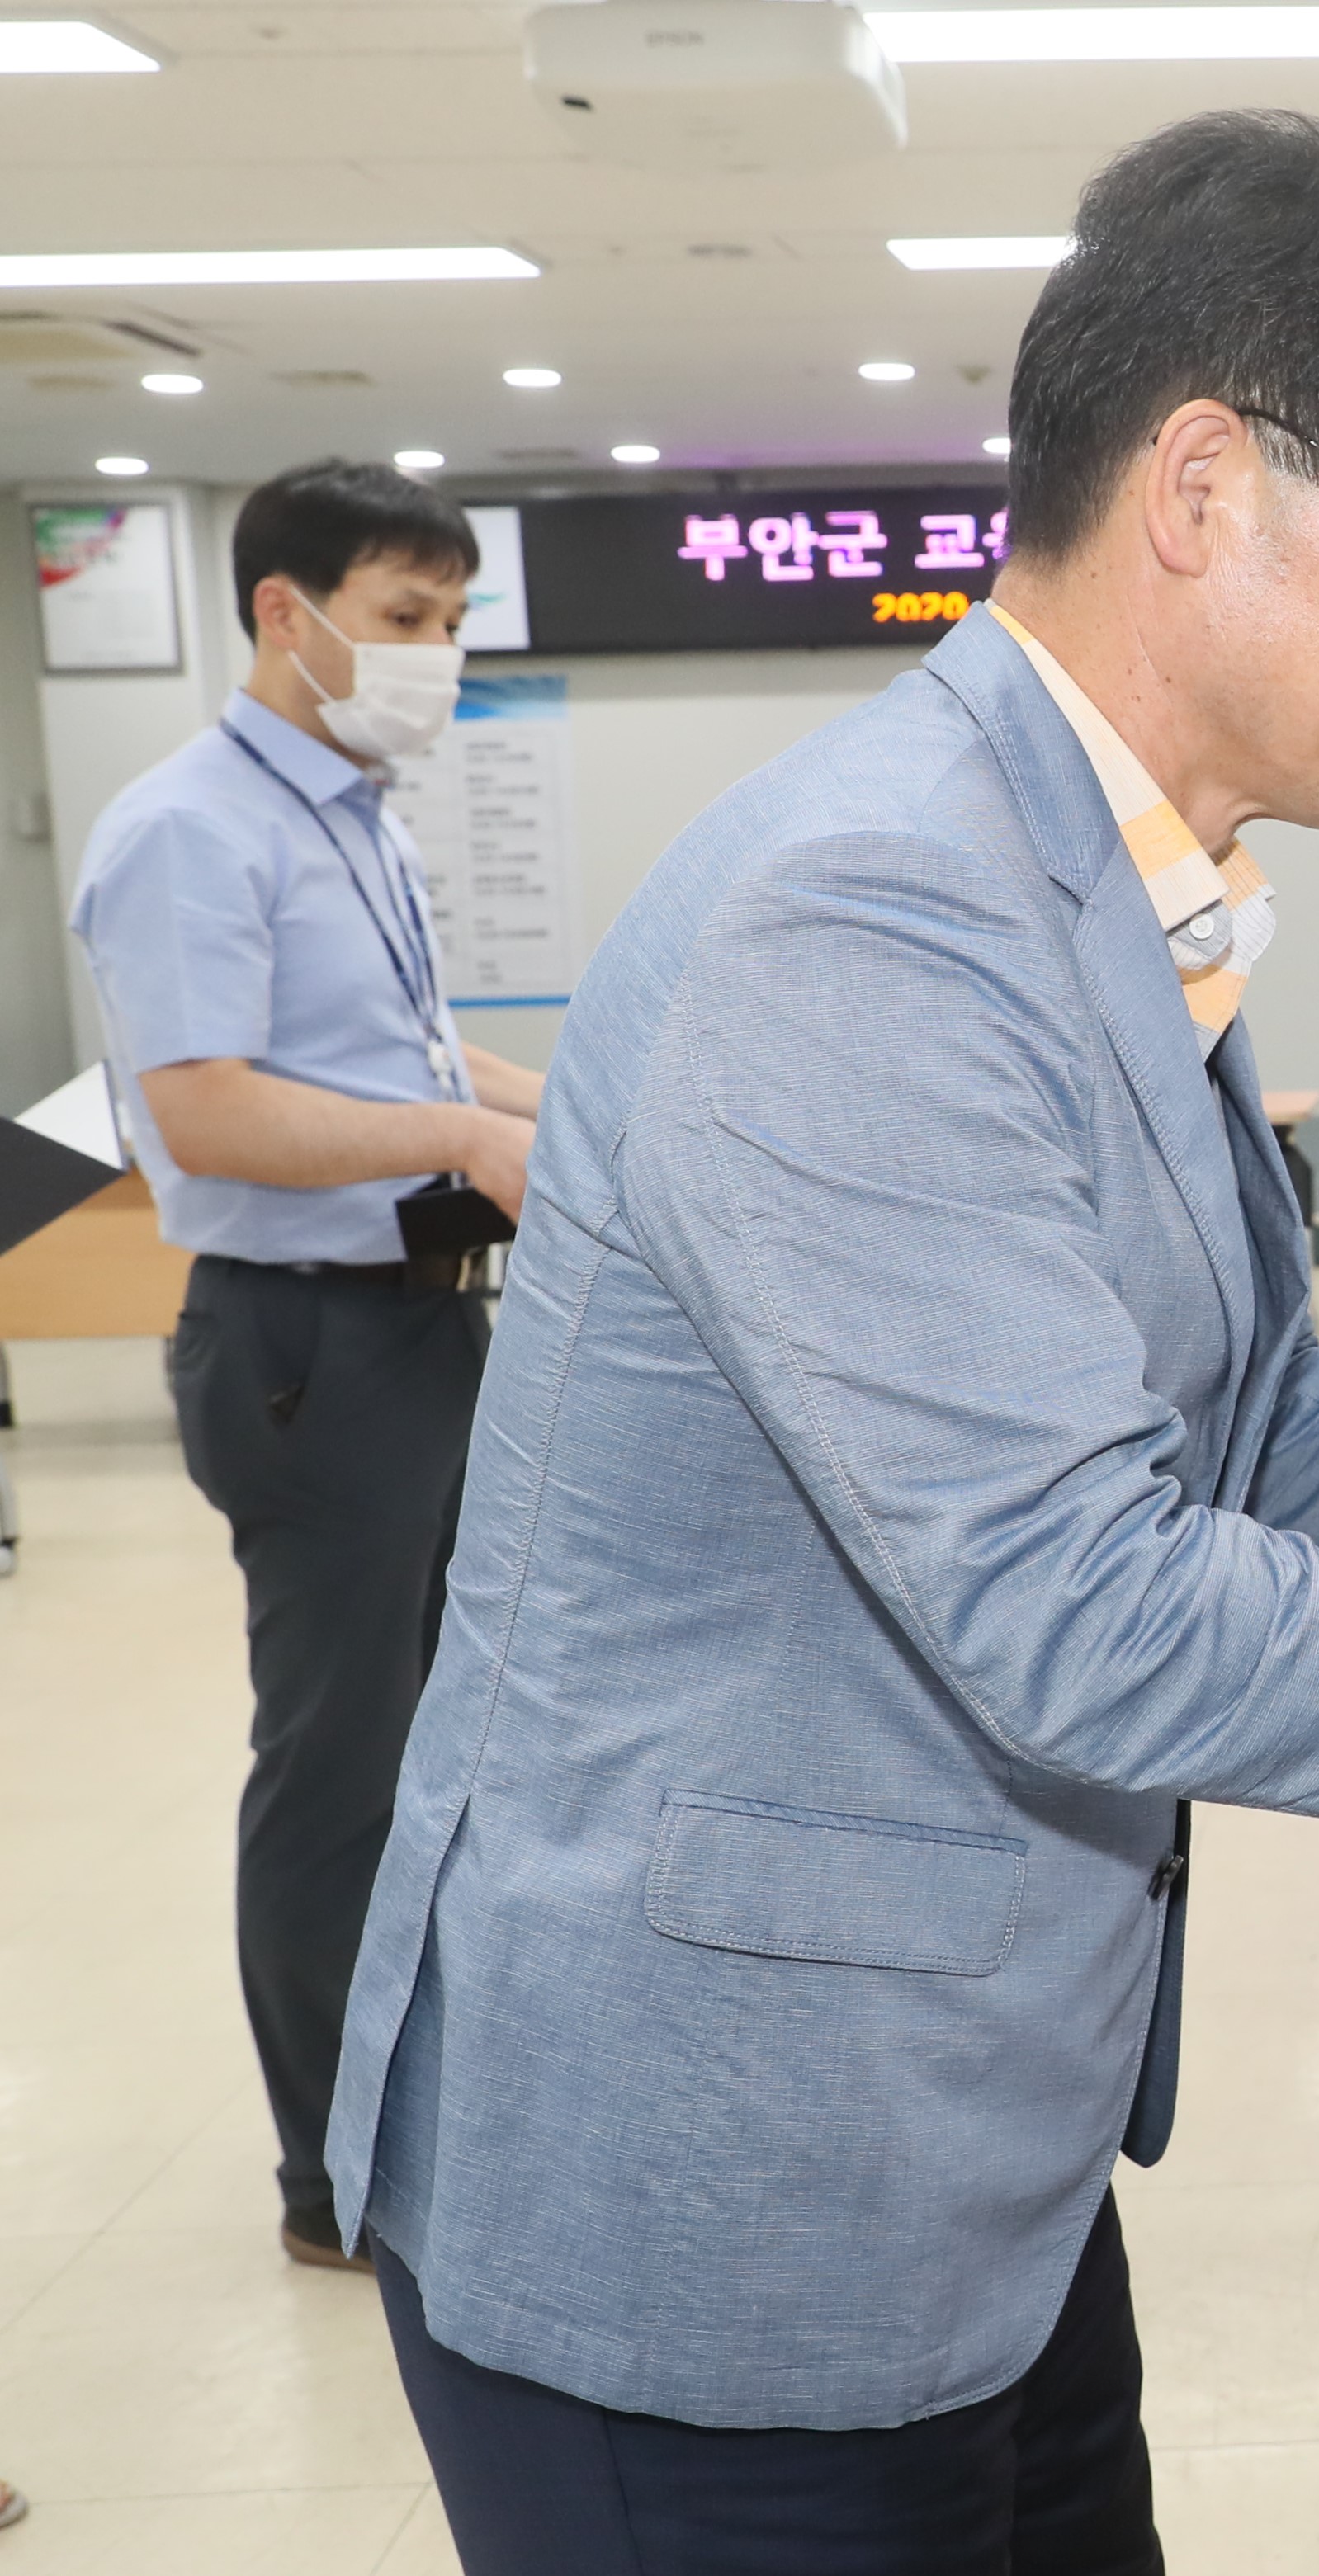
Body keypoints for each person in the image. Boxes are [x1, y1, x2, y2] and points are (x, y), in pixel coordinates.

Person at [324, 112, 1319, 2570]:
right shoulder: (873, 912)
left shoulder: (1104, 872)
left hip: (965, 2144)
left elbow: (1255, 1415)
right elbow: (1082, 1602)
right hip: (717, 2207)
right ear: (1204, 486)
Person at [64, 460, 543, 2278]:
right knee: (342, 1767)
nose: (436, 655)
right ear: (289, 611)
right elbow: (208, 1107)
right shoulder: (194, 826)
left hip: (421, 1321)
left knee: (451, 1741)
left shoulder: (355, 806)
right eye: (406, 620)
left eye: (450, 621)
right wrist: (458, 1128)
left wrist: (553, 1107)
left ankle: (428, 2110)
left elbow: (409, 1049)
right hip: (303, 1349)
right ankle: (333, 2177)